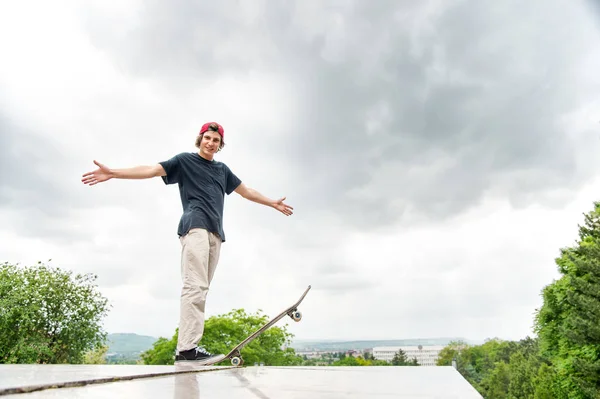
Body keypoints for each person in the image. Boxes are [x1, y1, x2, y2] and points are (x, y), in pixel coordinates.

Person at [81, 122, 293, 363]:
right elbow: (150, 169)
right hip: (195, 226)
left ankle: (189, 347)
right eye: (207, 138)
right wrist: (114, 173)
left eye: (216, 140)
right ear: (200, 139)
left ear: (220, 145)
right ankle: (186, 350)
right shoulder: (184, 161)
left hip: (216, 233)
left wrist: (272, 203)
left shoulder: (222, 170)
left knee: (202, 288)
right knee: (195, 286)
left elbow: (246, 191)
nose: (211, 143)